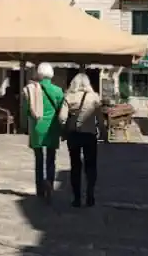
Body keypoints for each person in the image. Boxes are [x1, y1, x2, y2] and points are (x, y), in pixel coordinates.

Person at [58, 71, 102, 207]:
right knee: (91, 166)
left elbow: (62, 117)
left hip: (74, 135)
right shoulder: (94, 97)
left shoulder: (69, 97)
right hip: (90, 135)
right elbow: (99, 119)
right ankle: (90, 196)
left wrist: (65, 128)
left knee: (75, 166)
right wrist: (104, 134)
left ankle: (77, 198)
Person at [22, 63, 63, 201]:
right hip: (52, 128)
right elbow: (62, 110)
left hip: (37, 128)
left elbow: (26, 110)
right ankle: (50, 184)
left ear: (38, 74)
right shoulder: (58, 91)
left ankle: (39, 189)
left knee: (38, 160)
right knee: (51, 159)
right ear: (51, 74)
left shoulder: (32, 90)